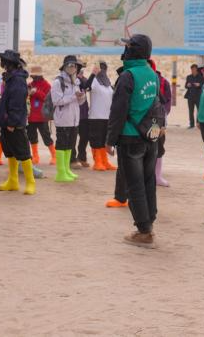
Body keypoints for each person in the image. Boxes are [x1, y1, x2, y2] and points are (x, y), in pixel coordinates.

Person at [105, 34, 160, 248]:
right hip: (149, 136)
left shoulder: (128, 76)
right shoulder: (152, 74)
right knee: (148, 182)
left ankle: (144, 231)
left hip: (129, 137)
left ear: (133, 50)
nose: (124, 50)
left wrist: (110, 139)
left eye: (127, 46)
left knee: (134, 185)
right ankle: (149, 223)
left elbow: (118, 111)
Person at [0, 49, 38, 195]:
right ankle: (13, 181)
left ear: (8, 63)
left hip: (14, 123)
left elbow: (17, 103)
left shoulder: (17, 79)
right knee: (10, 152)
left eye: (3, 61)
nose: (2, 63)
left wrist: (12, 122)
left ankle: (31, 182)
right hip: (7, 122)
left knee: (23, 152)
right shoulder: (11, 77)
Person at [51, 55, 84, 183]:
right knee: (61, 144)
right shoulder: (58, 82)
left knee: (70, 145)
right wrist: (74, 96)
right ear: (64, 67)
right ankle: (60, 172)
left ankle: (66, 169)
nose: (73, 67)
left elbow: (79, 102)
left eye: (75, 65)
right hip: (63, 119)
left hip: (74, 120)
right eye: (70, 65)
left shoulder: (75, 81)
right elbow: (57, 101)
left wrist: (81, 97)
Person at [87, 62, 116, 171]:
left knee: (105, 139)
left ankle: (105, 161)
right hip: (96, 116)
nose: (102, 71)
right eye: (101, 68)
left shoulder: (108, 83)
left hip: (107, 116)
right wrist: (93, 74)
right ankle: (97, 161)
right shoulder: (94, 81)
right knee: (96, 139)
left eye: (104, 68)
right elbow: (87, 87)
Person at [26, 65, 54, 165]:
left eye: (36, 75)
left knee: (46, 136)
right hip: (31, 116)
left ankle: (54, 156)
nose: (34, 77)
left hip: (42, 116)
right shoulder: (29, 84)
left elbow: (47, 98)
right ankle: (35, 156)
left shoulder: (47, 85)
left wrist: (36, 92)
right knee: (32, 137)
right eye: (33, 75)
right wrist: (28, 93)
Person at [70, 67, 92, 169]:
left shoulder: (84, 79)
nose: (81, 72)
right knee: (73, 137)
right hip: (73, 113)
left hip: (83, 113)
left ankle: (82, 158)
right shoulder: (70, 80)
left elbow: (87, 86)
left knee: (85, 136)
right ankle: (72, 159)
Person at [184, 63, 203, 129]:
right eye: (192, 69)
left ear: (197, 70)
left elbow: (203, 85)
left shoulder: (201, 77)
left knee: (199, 111)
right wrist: (187, 85)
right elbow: (185, 86)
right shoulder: (188, 77)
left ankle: (198, 124)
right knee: (190, 111)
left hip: (198, 96)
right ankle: (191, 124)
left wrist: (199, 85)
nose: (193, 70)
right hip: (190, 96)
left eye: (194, 69)